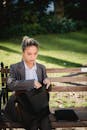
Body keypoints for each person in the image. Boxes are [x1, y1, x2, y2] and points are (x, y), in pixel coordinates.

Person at [6, 36, 52, 130]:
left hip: (39, 104)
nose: (33, 57)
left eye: (35, 54)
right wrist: (31, 83)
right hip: (24, 104)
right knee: (33, 125)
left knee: (45, 125)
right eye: (29, 54)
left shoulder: (41, 68)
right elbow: (10, 84)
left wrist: (47, 80)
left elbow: (45, 80)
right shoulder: (15, 68)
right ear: (23, 53)